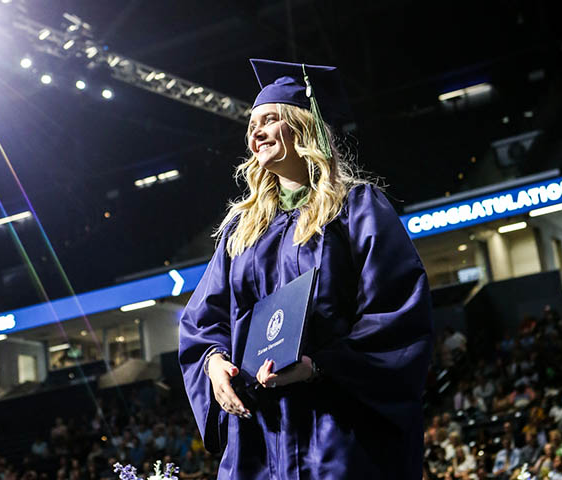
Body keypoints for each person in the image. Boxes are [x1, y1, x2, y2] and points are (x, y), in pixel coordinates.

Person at [179, 59, 433, 479]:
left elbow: (395, 309)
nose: (255, 133)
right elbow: (203, 320)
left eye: (270, 120)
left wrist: (321, 366)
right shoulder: (240, 232)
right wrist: (212, 363)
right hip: (260, 436)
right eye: (251, 126)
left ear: (303, 125)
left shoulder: (355, 209)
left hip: (336, 429)